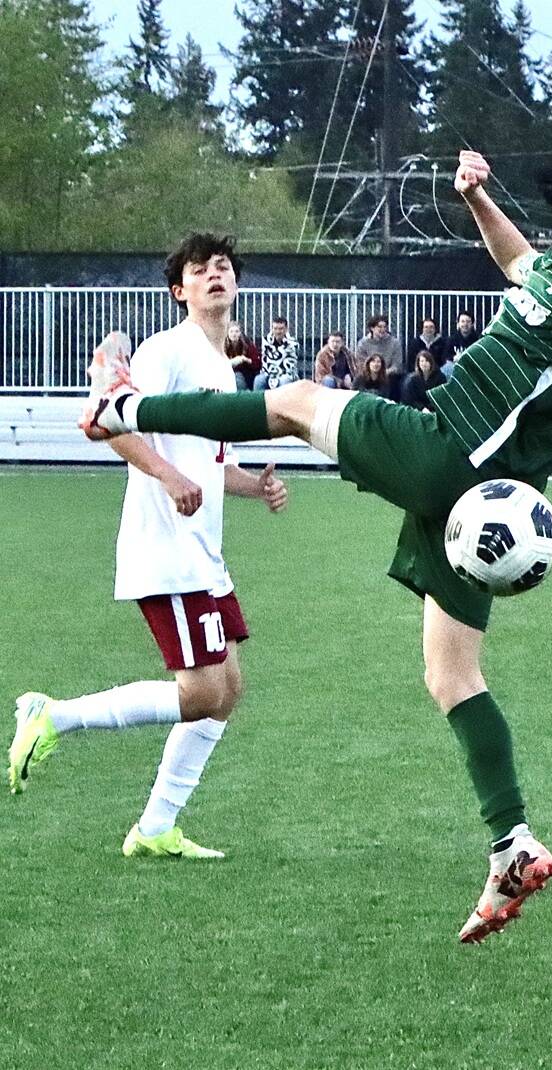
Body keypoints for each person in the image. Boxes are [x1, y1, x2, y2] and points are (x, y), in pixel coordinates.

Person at [80, 136, 552, 943]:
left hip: (449, 448)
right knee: (452, 675)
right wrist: (477, 199)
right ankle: (511, 843)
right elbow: (516, 258)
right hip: (478, 512)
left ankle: (124, 410)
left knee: (296, 401)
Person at [9, 234, 288, 863]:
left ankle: (157, 826)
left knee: (228, 689)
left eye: (223, 267)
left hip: (203, 552)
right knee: (200, 694)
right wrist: (167, 476)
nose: (215, 275)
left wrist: (256, 485)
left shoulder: (220, 366)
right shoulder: (168, 350)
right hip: (167, 548)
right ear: (179, 290)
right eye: (200, 269)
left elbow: (209, 464)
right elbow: (108, 419)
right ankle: (53, 715)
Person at [255, 316, 298, 391]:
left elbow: (290, 365)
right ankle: (257, 402)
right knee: (258, 380)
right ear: (272, 329)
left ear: (286, 329)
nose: (278, 331)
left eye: (281, 329)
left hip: (286, 373)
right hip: (268, 373)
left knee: (284, 381)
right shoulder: (265, 342)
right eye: (275, 328)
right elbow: (265, 362)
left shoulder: (293, 343)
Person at [225, 320, 261, 390]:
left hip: (244, 374)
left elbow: (257, 363)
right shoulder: (222, 345)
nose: (234, 334)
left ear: (240, 333)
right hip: (226, 372)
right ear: (227, 333)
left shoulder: (247, 344)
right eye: (231, 331)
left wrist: (246, 359)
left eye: (236, 331)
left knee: (238, 378)